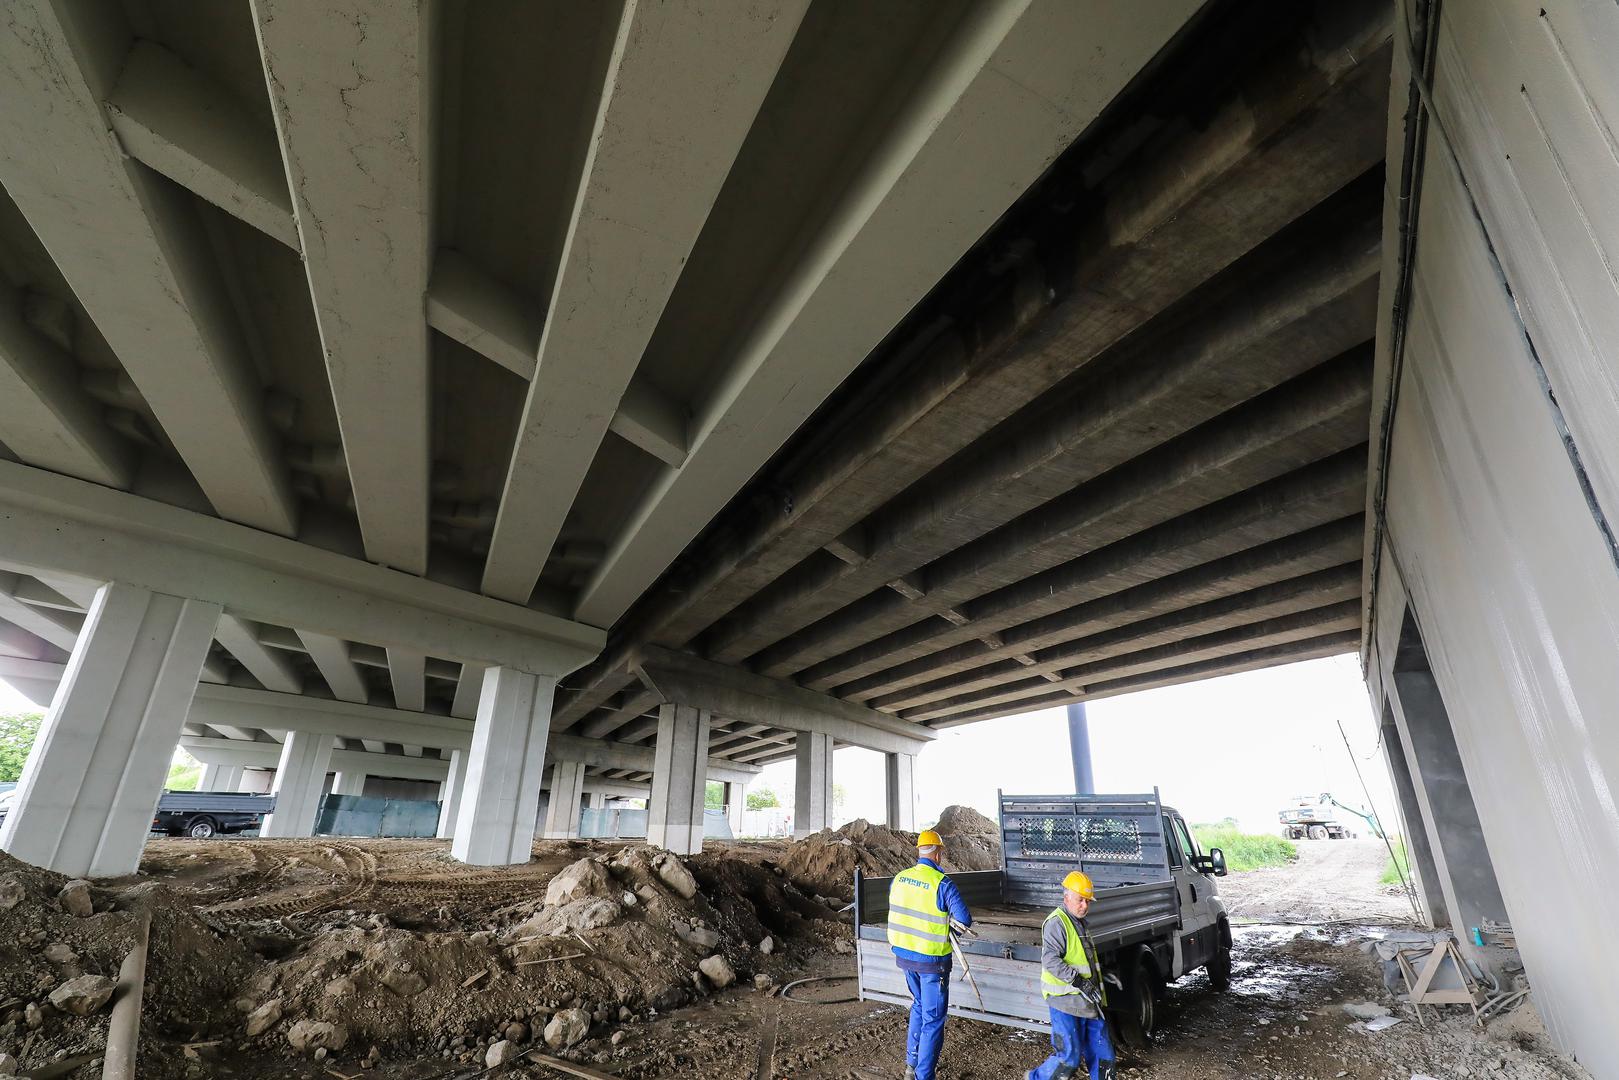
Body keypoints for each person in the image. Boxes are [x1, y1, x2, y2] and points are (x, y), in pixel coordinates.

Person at [887, 828, 972, 1080]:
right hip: (932, 962)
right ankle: (924, 1076)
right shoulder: (942, 883)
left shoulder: (899, 878)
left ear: (920, 852)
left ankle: (911, 1065)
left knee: (919, 1005)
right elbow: (965, 919)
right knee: (934, 1020)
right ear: (938, 854)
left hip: (905, 956)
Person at [1027, 870, 1116, 1080]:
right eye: (1080, 900)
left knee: (1105, 1058)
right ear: (1066, 897)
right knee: (1068, 1059)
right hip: (1065, 1004)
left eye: (1087, 901)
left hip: (1088, 1004)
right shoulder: (1057, 922)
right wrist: (1080, 982)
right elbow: (1050, 961)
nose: (1084, 905)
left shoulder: (1080, 923)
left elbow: (1083, 960)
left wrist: (1100, 975)